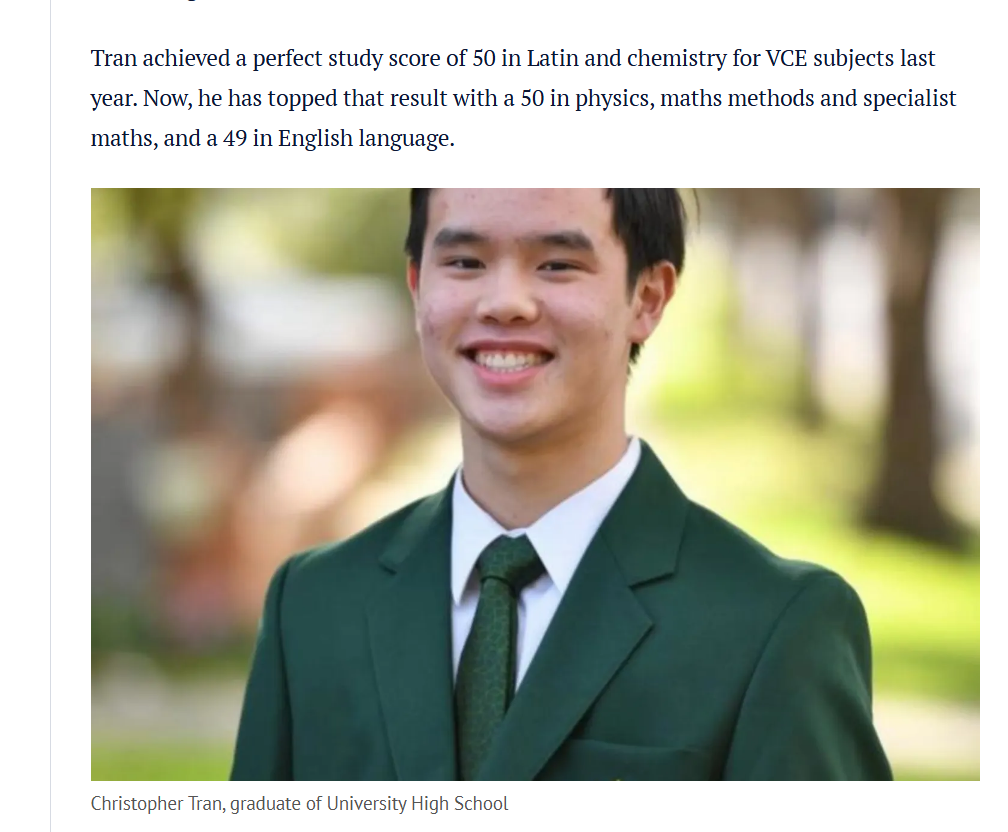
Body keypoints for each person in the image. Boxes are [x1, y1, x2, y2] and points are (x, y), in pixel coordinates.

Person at [230, 188, 892, 781]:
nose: (505, 302)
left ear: (648, 297)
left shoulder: (778, 626)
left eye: (557, 263)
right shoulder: (311, 606)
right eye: (464, 262)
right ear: (416, 285)